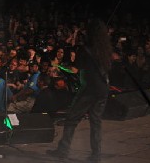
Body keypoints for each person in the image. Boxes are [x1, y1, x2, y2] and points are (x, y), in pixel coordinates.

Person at [47, 19, 113, 162]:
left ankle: (63, 150)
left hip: (89, 89)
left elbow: (74, 69)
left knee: (72, 119)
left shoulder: (85, 49)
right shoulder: (105, 49)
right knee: (96, 122)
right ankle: (96, 155)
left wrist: (59, 66)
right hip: (103, 88)